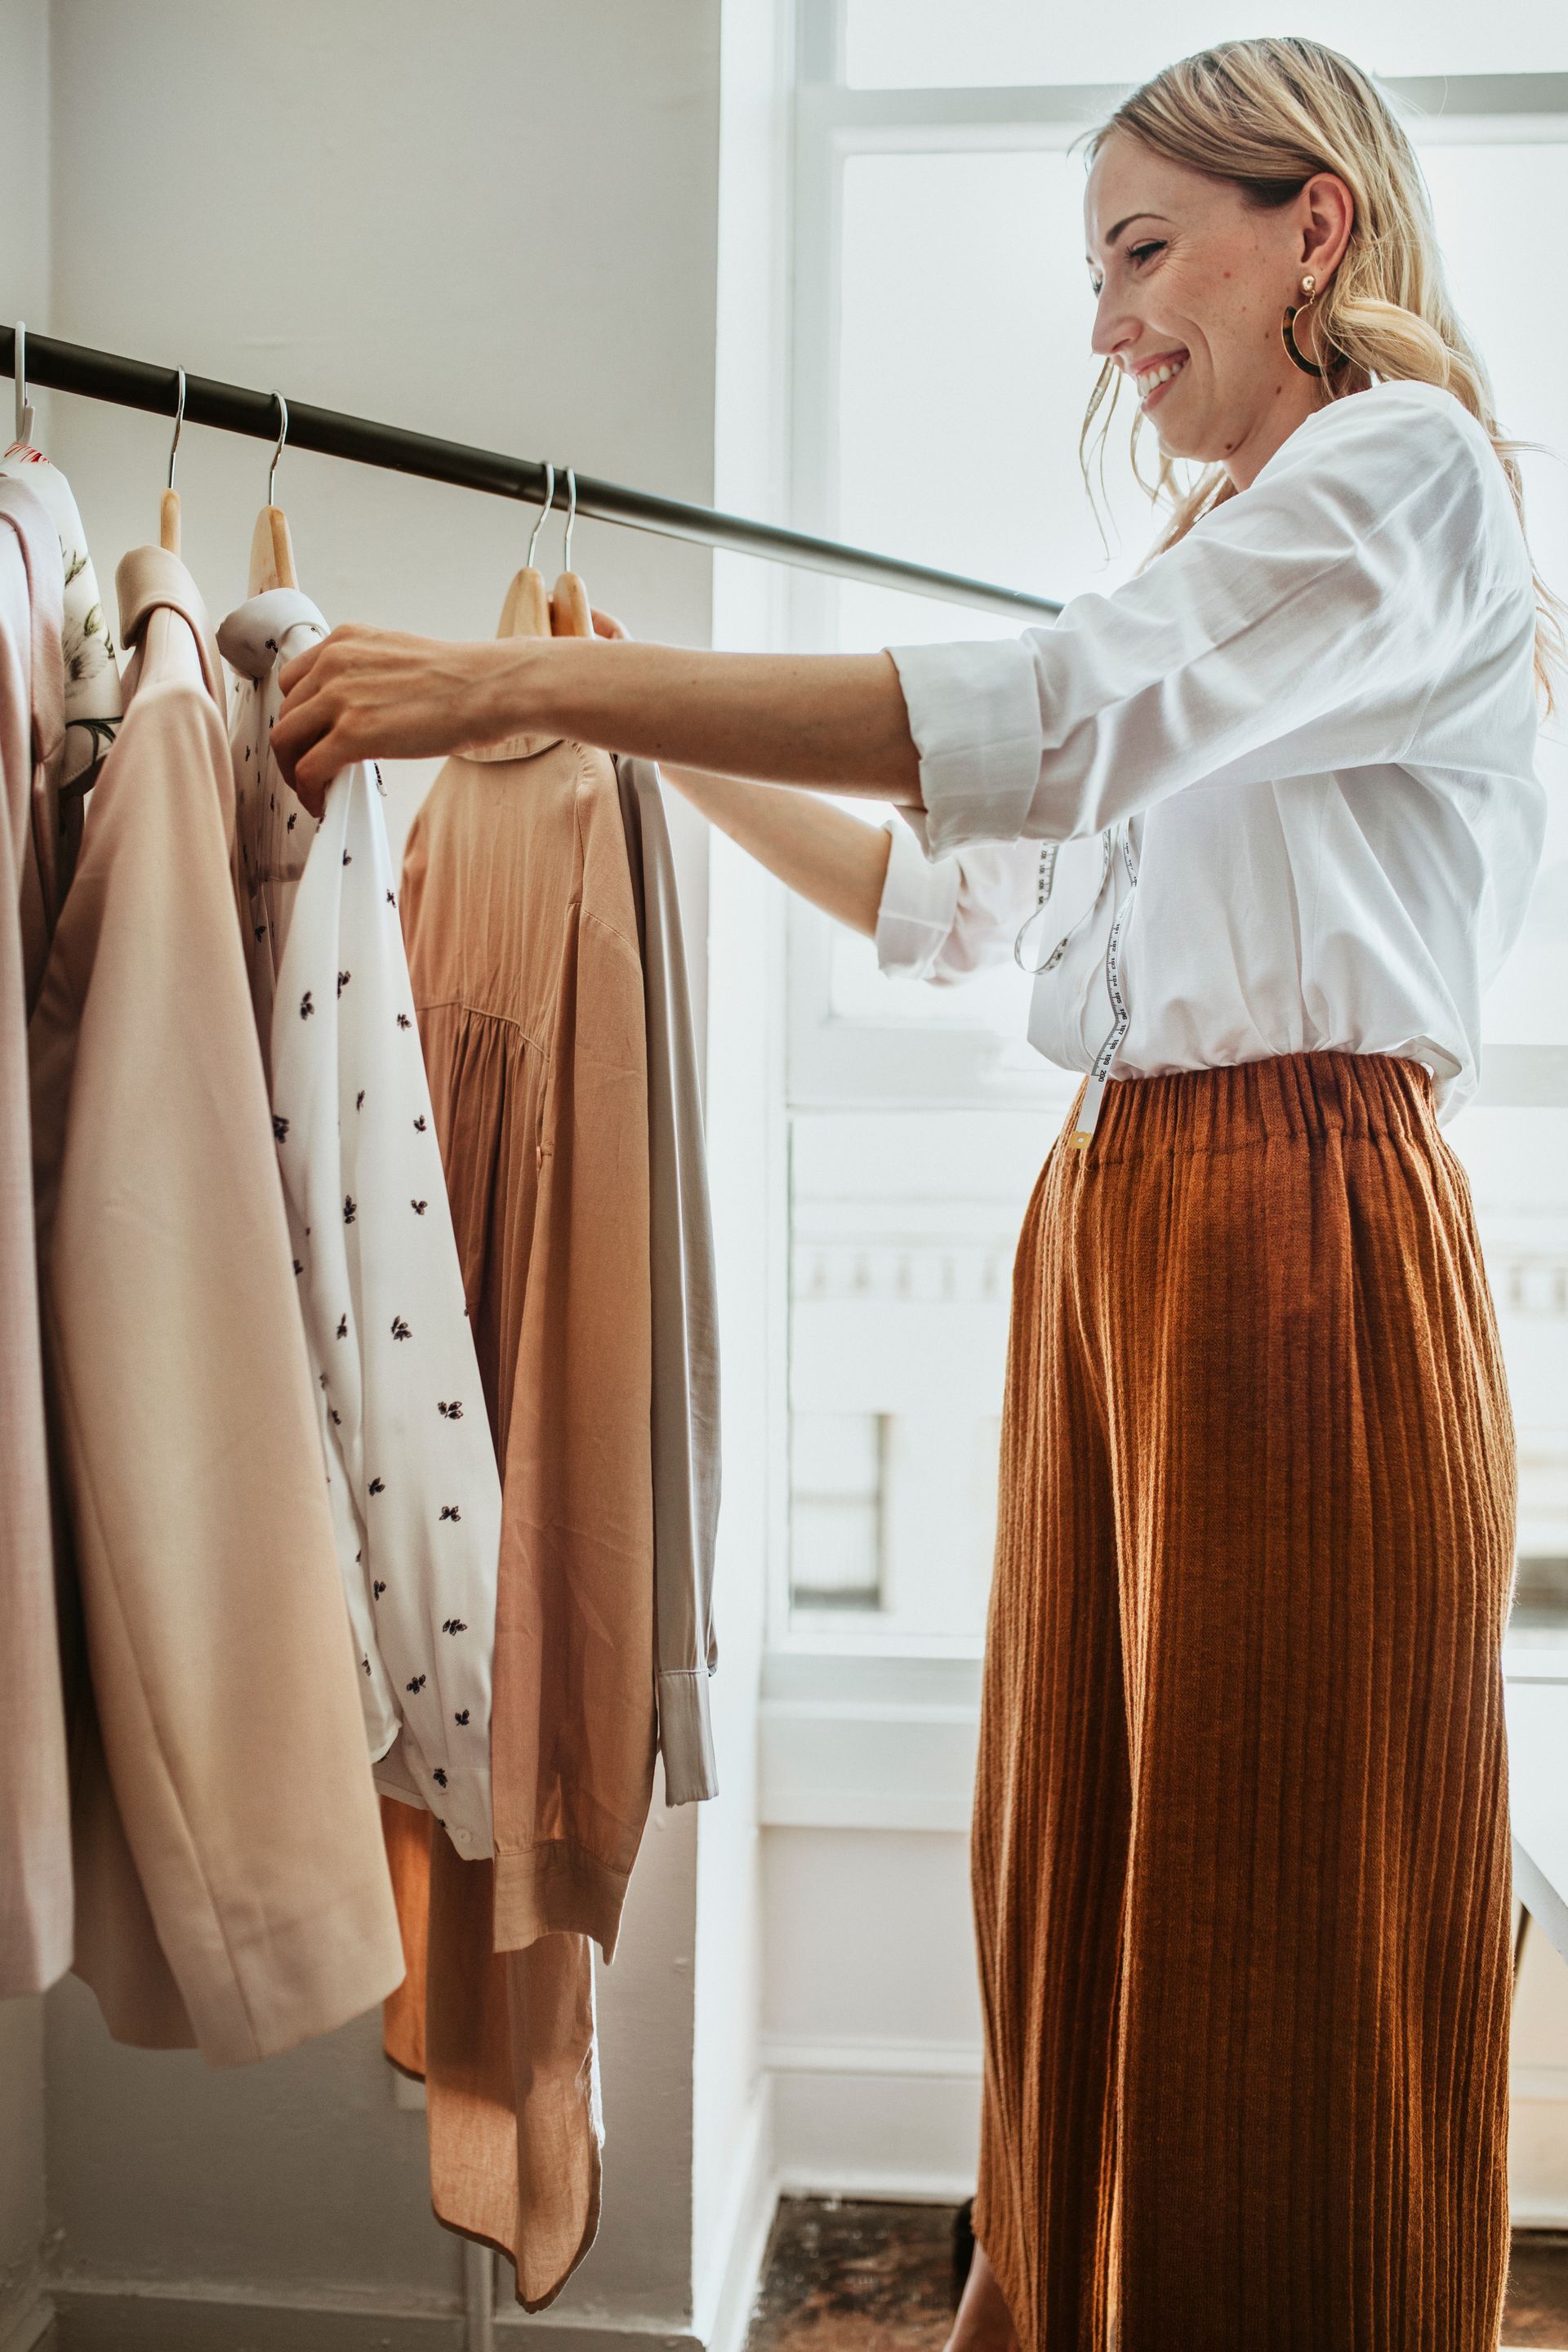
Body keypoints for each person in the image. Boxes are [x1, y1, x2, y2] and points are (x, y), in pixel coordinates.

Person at [274, 38, 1560, 2352]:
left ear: (1318, 227)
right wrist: (618, 711)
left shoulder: (1407, 477)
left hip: (1301, 1234)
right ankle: (1053, 2302)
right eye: (1097, 272)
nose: (1111, 323)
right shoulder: (1224, 561)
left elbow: (1042, 725)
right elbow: (946, 899)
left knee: (1280, 1902)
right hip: (1134, 1226)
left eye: (1145, 252)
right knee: (1080, 1853)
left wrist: (501, 684)